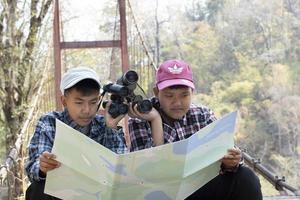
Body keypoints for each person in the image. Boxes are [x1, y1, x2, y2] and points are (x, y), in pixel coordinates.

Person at [128, 59, 262, 200]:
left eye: (184, 95)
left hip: (200, 187)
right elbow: (146, 174)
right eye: (169, 96)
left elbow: (225, 153)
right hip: (162, 192)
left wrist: (231, 161)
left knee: (246, 177)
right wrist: (155, 120)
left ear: (192, 92)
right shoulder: (141, 117)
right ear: (156, 92)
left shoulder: (202, 114)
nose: (177, 102)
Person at [25, 67, 127, 200]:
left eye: (93, 102)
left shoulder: (105, 124)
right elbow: (33, 168)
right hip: (62, 193)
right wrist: (43, 168)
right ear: (64, 101)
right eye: (79, 102)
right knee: (37, 188)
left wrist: (111, 128)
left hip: (97, 194)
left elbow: (120, 175)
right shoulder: (49, 122)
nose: (87, 110)